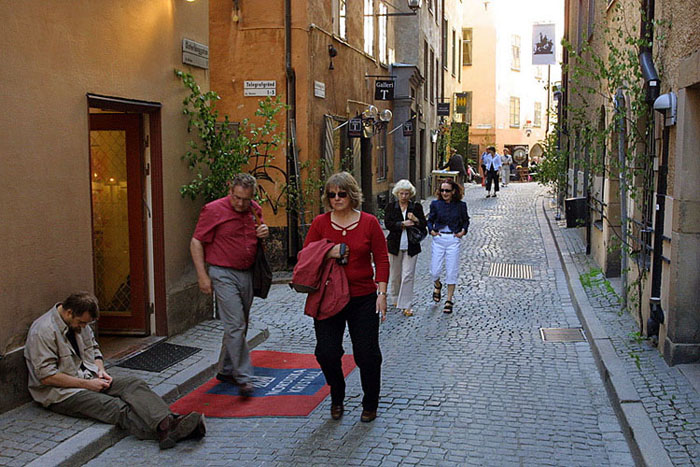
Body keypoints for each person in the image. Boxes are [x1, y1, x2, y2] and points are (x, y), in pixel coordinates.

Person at [24, 292, 205, 450]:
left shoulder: (80, 322)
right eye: (81, 323)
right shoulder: (43, 331)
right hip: (61, 393)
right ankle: (170, 430)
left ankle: (168, 424)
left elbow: (94, 349)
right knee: (116, 407)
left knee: (134, 384)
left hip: (88, 377)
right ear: (69, 312)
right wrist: (88, 384)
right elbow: (46, 377)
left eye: (87, 324)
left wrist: (100, 370)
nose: (83, 327)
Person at [303, 171, 389, 423]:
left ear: (352, 195)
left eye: (342, 194)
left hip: (362, 297)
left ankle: (370, 402)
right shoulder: (320, 223)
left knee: (367, 355)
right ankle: (337, 393)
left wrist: (382, 293)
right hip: (328, 296)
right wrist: (329, 251)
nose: (337, 198)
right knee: (326, 352)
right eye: (332, 195)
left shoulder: (369, 223)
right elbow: (306, 255)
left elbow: (382, 259)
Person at [190, 173, 269, 397]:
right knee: (235, 324)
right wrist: (202, 275)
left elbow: (258, 235)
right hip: (222, 272)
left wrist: (264, 232)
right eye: (237, 198)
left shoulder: (254, 209)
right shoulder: (213, 210)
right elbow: (196, 241)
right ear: (230, 190)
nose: (241, 204)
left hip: (247, 273)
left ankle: (225, 369)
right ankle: (244, 377)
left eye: (246, 199)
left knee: (240, 324)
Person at [384, 179, 427, 317]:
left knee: (408, 275)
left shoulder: (416, 207)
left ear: (410, 194)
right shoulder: (391, 207)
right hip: (394, 245)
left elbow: (423, 225)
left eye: (407, 194)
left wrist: (415, 219)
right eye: (401, 193)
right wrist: (402, 224)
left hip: (411, 245)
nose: (404, 196)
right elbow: (388, 224)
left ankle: (406, 304)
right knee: (395, 275)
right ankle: (395, 298)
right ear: (397, 193)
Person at [427, 179, 470, 314]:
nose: (444, 193)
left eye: (447, 190)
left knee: (452, 270)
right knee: (434, 271)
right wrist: (431, 230)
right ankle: (437, 284)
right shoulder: (435, 204)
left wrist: (463, 231)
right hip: (439, 239)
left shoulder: (461, 205)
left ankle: (449, 300)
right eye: (442, 190)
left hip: (453, 239)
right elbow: (430, 220)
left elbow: (466, 220)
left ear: (453, 191)